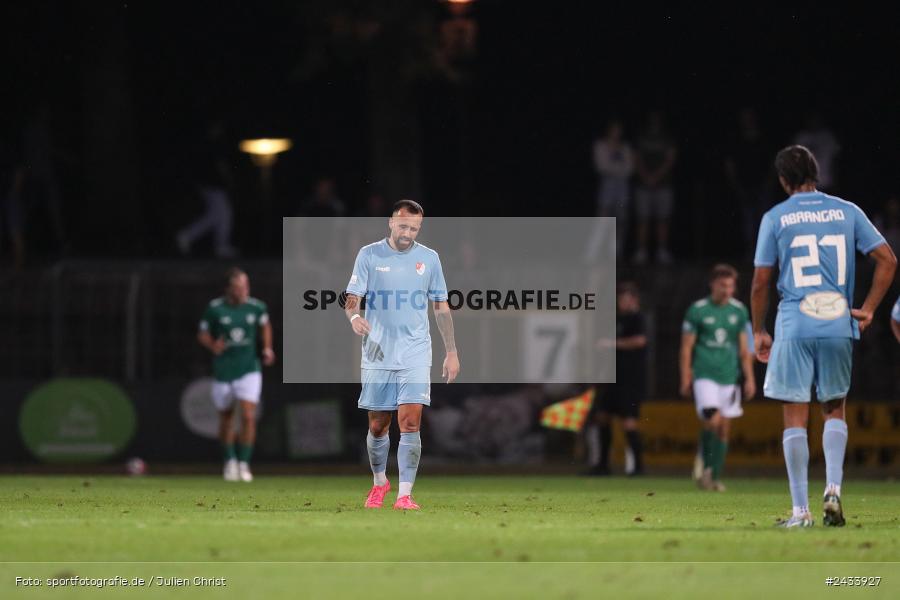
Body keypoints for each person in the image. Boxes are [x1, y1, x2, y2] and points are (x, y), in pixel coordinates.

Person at [751, 145, 896, 527]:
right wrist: (869, 308)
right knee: (834, 408)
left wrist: (758, 330)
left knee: (795, 415)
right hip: (836, 321)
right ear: (817, 172)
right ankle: (833, 489)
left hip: (794, 322)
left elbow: (761, 281)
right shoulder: (848, 211)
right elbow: (888, 260)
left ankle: (801, 512)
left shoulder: (776, 217)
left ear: (783, 180)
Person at [344, 200, 459, 510]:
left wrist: (451, 351)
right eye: (404, 225)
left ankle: (405, 494)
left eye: (415, 228)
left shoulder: (429, 259)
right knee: (378, 425)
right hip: (378, 352)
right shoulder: (369, 255)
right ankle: (380, 482)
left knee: (410, 422)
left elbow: (441, 306)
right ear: (391, 222)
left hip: (416, 352)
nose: (408, 232)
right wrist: (355, 318)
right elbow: (352, 297)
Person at [680, 264, 756, 492]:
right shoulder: (698, 310)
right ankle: (704, 461)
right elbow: (686, 348)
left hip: (729, 376)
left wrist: (749, 378)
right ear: (712, 284)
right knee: (713, 420)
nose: (727, 290)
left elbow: (745, 349)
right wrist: (685, 377)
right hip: (704, 374)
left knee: (724, 428)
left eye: (730, 286)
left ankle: (712, 475)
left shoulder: (739, 311)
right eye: (723, 285)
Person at [197, 268, 276, 482]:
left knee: (249, 416)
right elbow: (202, 333)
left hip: (249, 369)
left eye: (245, 287)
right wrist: (213, 345)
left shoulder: (257, 307)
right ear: (228, 289)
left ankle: (244, 463)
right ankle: (230, 460)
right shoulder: (215, 308)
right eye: (238, 287)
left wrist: (267, 348)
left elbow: (265, 326)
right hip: (223, 370)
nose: (243, 291)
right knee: (226, 417)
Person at [585, 281, 647, 476]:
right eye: (620, 299)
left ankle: (638, 467)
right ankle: (603, 465)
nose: (621, 303)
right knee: (602, 418)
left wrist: (612, 344)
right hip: (612, 379)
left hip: (630, 380)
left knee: (629, 422)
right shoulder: (615, 320)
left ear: (634, 300)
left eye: (625, 299)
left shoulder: (638, 318)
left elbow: (640, 340)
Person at [176, 121, 238, 258]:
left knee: (217, 214)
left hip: (206, 184)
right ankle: (219, 245)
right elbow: (221, 165)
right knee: (224, 213)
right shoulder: (215, 143)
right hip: (213, 184)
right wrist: (229, 180)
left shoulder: (205, 143)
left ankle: (189, 236)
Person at [633, 111, 677, 265]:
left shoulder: (667, 138)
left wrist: (656, 176)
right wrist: (645, 176)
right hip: (643, 184)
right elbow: (636, 158)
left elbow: (670, 159)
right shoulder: (642, 137)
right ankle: (642, 251)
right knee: (643, 219)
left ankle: (662, 251)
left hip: (663, 184)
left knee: (663, 219)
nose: (655, 122)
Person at [587, 120, 634, 261]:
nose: (616, 133)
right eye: (614, 129)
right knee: (603, 218)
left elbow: (630, 168)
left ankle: (615, 251)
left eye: (619, 129)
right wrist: (619, 168)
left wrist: (616, 168)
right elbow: (601, 166)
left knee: (621, 219)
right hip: (607, 186)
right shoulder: (600, 145)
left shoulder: (625, 147)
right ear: (608, 130)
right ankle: (592, 251)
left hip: (622, 187)